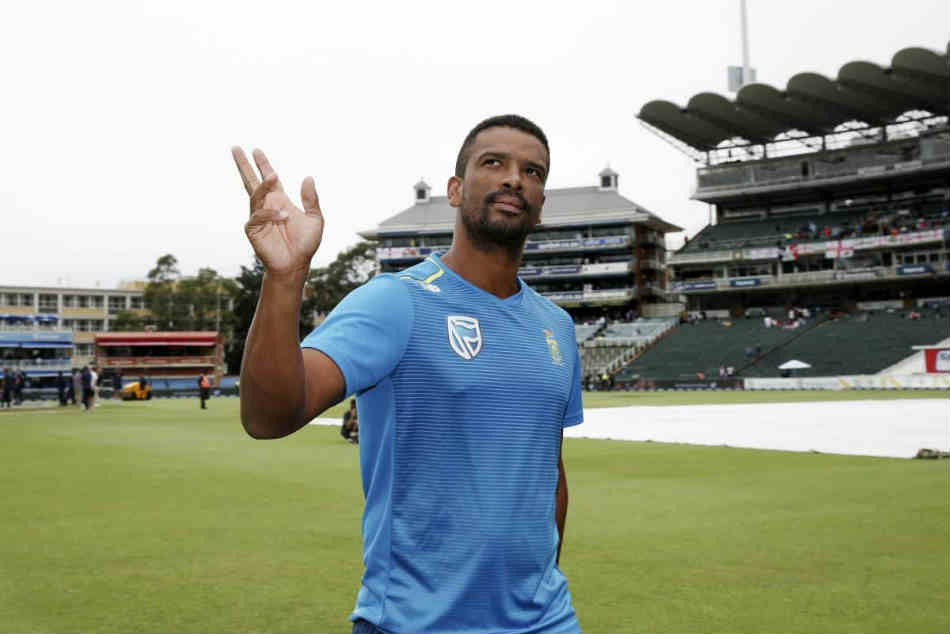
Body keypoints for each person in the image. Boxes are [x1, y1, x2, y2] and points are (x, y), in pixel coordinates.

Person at [232, 114, 582, 634]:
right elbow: (268, 416)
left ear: (541, 203)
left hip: (546, 622)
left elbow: (548, 472)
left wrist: (541, 583)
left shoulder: (556, 327)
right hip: (416, 622)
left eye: (533, 172)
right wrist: (285, 278)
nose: (515, 179)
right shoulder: (397, 302)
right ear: (455, 189)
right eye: (494, 163)